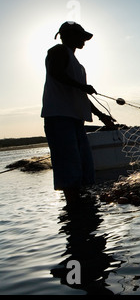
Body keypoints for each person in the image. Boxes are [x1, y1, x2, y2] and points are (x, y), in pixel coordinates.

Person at [41, 21, 115, 207]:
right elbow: (55, 73)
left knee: (84, 166)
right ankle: (73, 207)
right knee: (69, 166)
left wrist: (101, 115)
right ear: (68, 36)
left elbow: (80, 95)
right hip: (59, 118)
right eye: (81, 37)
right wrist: (82, 86)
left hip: (76, 120)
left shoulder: (78, 65)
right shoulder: (57, 51)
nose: (84, 41)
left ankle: (83, 207)